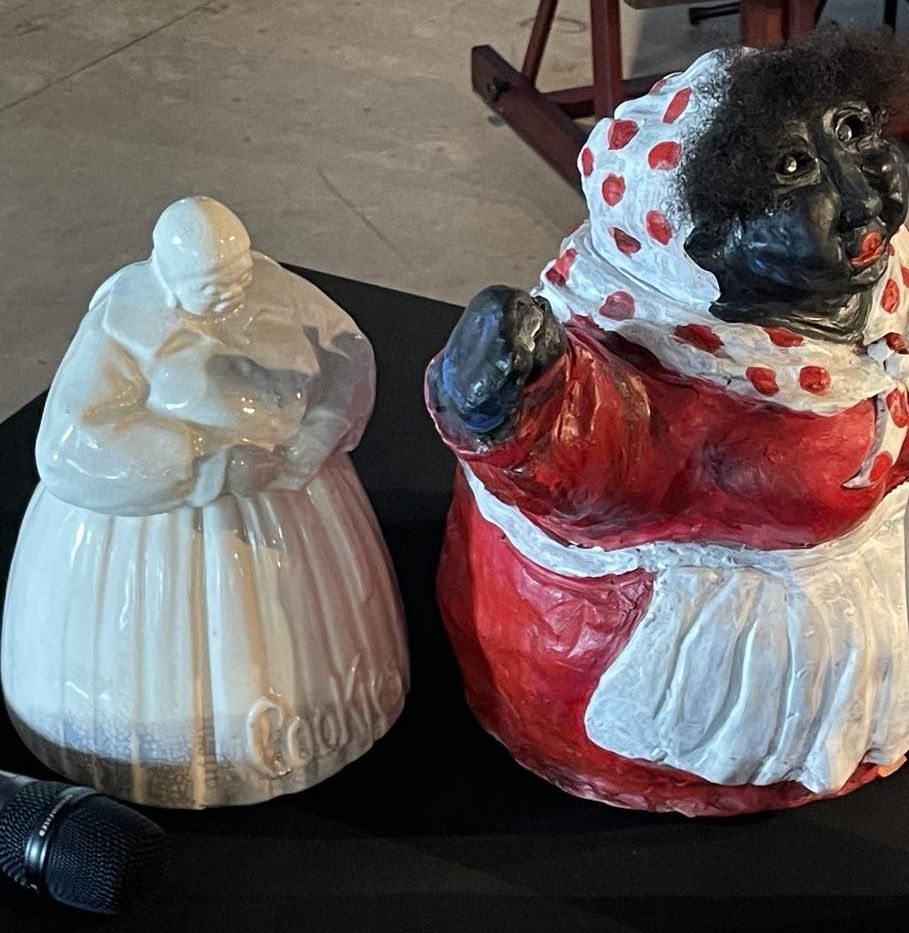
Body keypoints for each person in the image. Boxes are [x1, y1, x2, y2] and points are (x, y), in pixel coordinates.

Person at [427, 32, 909, 816]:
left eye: (853, 132)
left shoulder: (887, 280)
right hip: (703, 669)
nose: (861, 197)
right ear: (702, 240)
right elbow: (581, 453)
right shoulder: (662, 361)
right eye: (793, 170)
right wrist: (508, 397)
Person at [2, 196, 408, 808]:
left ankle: (320, 720)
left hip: (287, 495)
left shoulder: (278, 291)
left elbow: (345, 354)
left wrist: (319, 430)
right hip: (158, 524)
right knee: (177, 656)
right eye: (210, 284)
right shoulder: (122, 324)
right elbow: (72, 442)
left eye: (238, 276)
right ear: (167, 272)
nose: (230, 294)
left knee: (301, 632)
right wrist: (204, 462)